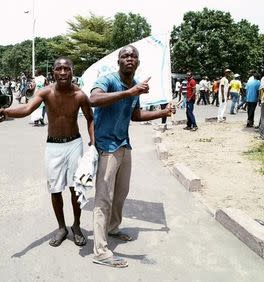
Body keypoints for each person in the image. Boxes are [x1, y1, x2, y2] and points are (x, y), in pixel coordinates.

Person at [0, 57, 94, 247]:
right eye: (59, 69)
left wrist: (93, 143)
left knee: (76, 188)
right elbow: (27, 108)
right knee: (55, 189)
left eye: (67, 69)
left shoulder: (80, 95)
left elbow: (90, 119)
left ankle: (77, 226)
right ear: (53, 72)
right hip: (53, 146)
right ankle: (62, 227)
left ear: (72, 72)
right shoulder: (46, 93)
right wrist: (5, 111)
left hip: (74, 144)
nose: (63, 72)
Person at [89, 45, 175, 268]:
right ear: (118, 61)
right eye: (125, 56)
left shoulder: (135, 86)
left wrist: (162, 113)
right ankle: (100, 251)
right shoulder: (108, 80)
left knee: (121, 193)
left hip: (123, 144)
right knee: (103, 198)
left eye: (133, 56)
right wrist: (129, 92)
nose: (129, 58)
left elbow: (136, 115)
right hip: (107, 146)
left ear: (138, 62)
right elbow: (94, 99)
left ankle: (112, 227)